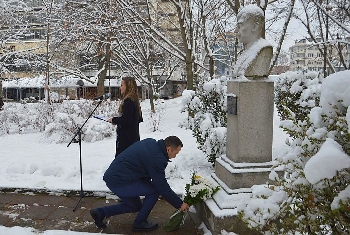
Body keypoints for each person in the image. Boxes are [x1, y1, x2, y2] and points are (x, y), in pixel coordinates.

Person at [89, 136, 190, 232]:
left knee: (135, 205)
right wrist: (180, 204)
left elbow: (143, 168)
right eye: (176, 153)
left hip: (117, 177)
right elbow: (161, 186)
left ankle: (100, 213)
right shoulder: (157, 158)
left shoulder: (152, 144)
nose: (175, 156)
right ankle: (139, 223)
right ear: (168, 149)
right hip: (120, 181)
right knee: (154, 191)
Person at [232, 4, 273, 79]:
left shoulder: (264, 49)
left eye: (240, 26)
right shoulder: (245, 52)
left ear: (254, 27)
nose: (236, 31)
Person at [108, 77, 143, 157]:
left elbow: (127, 120)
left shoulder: (129, 101)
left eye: (121, 85)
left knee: (123, 162)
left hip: (126, 140)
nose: (120, 87)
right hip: (132, 139)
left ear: (128, 87)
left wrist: (114, 120)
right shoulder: (134, 100)